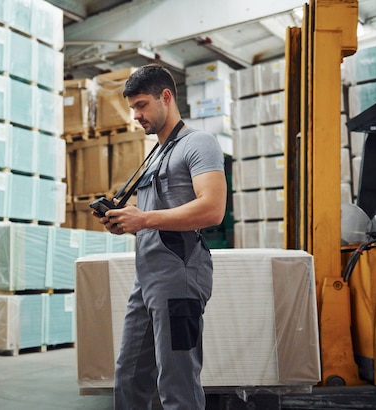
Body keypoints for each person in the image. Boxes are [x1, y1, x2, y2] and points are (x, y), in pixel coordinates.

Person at [95, 64, 227, 409]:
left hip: (179, 278)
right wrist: (123, 220)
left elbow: (213, 209)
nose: (136, 115)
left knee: (177, 382)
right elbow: (147, 219)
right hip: (147, 281)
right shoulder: (155, 155)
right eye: (133, 107)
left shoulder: (199, 143)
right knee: (129, 377)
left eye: (141, 105)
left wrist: (144, 218)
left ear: (165, 97)